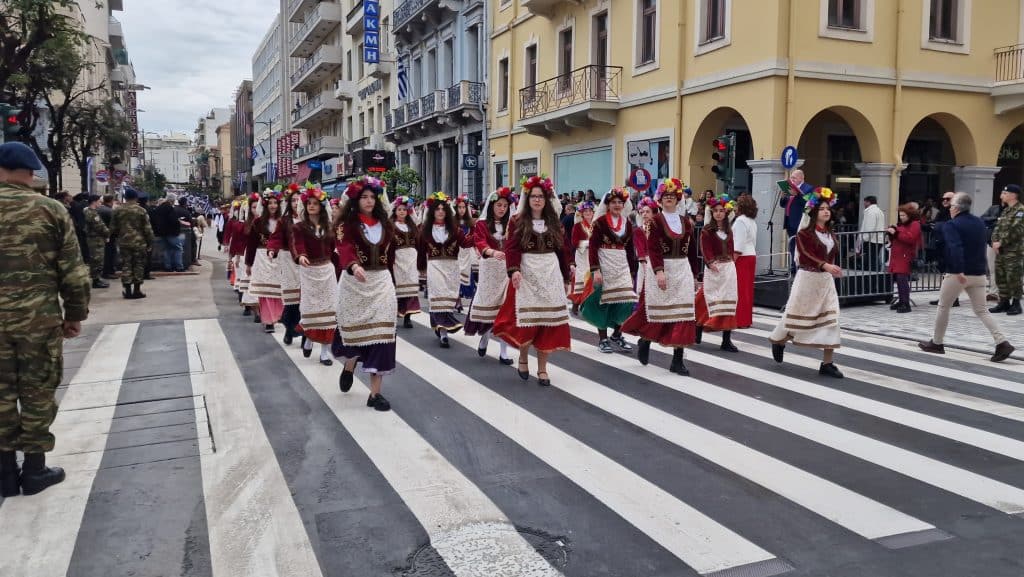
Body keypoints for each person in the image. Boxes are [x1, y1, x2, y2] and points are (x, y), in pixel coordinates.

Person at [0, 142, 90, 497]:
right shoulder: (50, 210)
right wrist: (74, 315)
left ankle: (4, 473)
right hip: (38, 320)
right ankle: (35, 470)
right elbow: (74, 272)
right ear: (31, 170)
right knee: (37, 391)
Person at [493, 175, 572, 386]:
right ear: (527, 199)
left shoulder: (554, 221)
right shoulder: (517, 220)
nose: (537, 200)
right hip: (527, 273)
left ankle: (543, 369)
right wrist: (514, 270)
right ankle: (522, 357)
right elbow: (512, 247)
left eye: (541, 196)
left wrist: (566, 276)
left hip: (550, 272)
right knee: (528, 320)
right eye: (533, 196)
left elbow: (562, 249)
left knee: (548, 322)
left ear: (546, 199)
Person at [918, 192, 1015, 362]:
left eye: (951, 204)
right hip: (978, 273)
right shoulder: (978, 222)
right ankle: (1002, 342)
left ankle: (937, 343)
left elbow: (955, 248)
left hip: (958, 273)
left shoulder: (952, 225)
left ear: (955, 208)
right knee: (982, 310)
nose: (949, 207)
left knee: (943, 307)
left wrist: (958, 270)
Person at [622, 178, 700, 375]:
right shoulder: (656, 221)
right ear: (661, 199)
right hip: (662, 268)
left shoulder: (686, 222)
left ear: (678, 199)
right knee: (657, 311)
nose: (669, 199)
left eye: (672, 196)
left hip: (682, 269)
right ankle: (645, 340)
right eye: (666, 196)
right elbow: (653, 248)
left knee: (683, 314)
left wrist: (697, 274)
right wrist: (659, 271)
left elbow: (692, 250)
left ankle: (677, 359)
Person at [333, 176, 396, 412]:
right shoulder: (345, 225)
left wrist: (395, 282)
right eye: (364, 197)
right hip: (354, 283)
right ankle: (350, 364)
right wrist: (353, 265)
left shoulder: (386, 224)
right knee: (358, 334)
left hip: (381, 281)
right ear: (356, 200)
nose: (369, 201)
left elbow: (391, 257)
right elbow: (344, 248)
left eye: (373, 197)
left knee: (382, 334)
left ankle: (375, 394)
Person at [769, 187, 845, 378]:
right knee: (795, 316)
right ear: (813, 212)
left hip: (825, 282)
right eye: (822, 209)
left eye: (828, 208)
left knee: (831, 318)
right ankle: (778, 340)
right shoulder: (804, 234)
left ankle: (827, 363)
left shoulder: (830, 233)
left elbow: (830, 255)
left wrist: (832, 268)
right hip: (807, 279)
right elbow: (805, 254)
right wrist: (825, 265)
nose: (826, 211)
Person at [581, 187, 637, 354]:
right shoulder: (599, 223)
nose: (617, 205)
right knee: (603, 301)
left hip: (621, 265)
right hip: (604, 262)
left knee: (625, 299)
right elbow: (592, 248)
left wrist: (632, 270)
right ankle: (603, 338)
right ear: (607, 204)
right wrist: (596, 270)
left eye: (620, 202)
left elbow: (630, 248)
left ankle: (617, 333)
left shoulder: (627, 223)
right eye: (614, 202)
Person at [464, 187, 516, 365]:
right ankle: (485, 337)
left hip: (507, 269)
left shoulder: (512, 224)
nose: (502, 209)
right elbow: (479, 241)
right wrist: (491, 252)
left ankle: (503, 352)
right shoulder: (482, 224)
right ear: (492, 205)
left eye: (505, 206)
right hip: (489, 268)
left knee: (505, 309)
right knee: (488, 307)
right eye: (499, 205)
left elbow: (516, 243)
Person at [292, 186, 337, 366]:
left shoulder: (330, 226)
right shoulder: (299, 227)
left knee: (330, 312)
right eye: (308, 203)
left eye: (315, 204)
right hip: (309, 271)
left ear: (321, 206)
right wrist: (301, 255)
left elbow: (336, 247)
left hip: (327, 271)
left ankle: (325, 352)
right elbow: (299, 244)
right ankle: (309, 338)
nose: (311, 206)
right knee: (310, 310)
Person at [417, 192, 466, 348]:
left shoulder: (455, 229)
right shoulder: (425, 229)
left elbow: (465, 243)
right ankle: (444, 333)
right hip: (435, 266)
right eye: (437, 208)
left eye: (443, 209)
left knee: (448, 298)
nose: (440, 211)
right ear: (432, 211)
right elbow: (420, 249)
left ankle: (441, 326)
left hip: (452, 267)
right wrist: (422, 268)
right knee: (437, 297)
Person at [695, 196, 740, 352]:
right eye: (716, 211)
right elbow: (704, 248)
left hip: (728, 269)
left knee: (729, 300)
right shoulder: (707, 230)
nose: (719, 214)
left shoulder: (729, 231)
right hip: (714, 269)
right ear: (712, 213)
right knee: (706, 300)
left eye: (722, 211)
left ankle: (726, 340)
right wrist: (710, 262)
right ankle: (698, 326)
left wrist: (732, 262)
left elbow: (732, 247)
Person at [245, 189, 285, 333]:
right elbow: (251, 245)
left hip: (279, 257)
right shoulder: (258, 222)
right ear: (266, 205)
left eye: (276, 203)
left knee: (278, 289)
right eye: (270, 203)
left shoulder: (284, 221)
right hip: (262, 257)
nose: (273, 206)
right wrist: (248, 264)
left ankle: (276, 315)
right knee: (265, 291)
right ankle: (268, 320)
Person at [268, 187, 304, 343]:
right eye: (294, 200)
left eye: (299, 200)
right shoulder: (285, 220)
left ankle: (305, 335)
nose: (297, 203)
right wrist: (272, 250)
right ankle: (289, 329)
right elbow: (276, 238)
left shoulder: (310, 219)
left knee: (306, 300)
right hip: (289, 261)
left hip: (308, 262)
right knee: (291, 301)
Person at [109, 187, 154, 299]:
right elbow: (147, 229)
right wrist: (150, 242)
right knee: (139, 265)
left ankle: (127, 290)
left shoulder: (117, 210)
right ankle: (137, 290)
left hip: (124, 242)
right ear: (136, 197)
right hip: (139, 242)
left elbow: (113, 228)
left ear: (125, 197)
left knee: (126, 265)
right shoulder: (141, 210)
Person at [989, 184, 1024, 316]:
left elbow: (1017, 230)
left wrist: (1001, 243)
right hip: (1001, 251)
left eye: (1004, 193)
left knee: (1013, 277)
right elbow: (997, 228)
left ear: (1013, 195)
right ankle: (1004, 302)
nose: (1001, 196)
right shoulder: (1006, 211)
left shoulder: (1020, 211)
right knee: (1001, 276)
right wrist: (994, 241)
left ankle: (1016, 304)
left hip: (1014, 251)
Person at [389, 195, 422, 329]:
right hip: (398, 258)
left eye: (404, 209)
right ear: (395, 211)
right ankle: (396, 313)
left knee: (411, 287)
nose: (402, 212)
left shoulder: (411, 225)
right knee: (398, 287)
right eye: (399, 209)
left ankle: (408, 317)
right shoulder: (391, 226)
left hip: (411, 258)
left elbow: (418, 222)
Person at [886, 204, 923, 313]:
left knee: (902, 280)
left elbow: (910, 239)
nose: (901, 217)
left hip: (905, 256)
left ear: (909, 215)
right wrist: (892, 233)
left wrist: (896, 233)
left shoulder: (915, 224)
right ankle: (902, 301)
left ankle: (905, 303)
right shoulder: (903, 225)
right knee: (899, 279)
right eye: (900, 215)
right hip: (897, 255)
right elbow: (898, 238)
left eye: (903, 215)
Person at [779, 169, 813, 273]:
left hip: (800, 222)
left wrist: (797, 194)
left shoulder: (808, 188)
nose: (792, 180)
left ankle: (800, 267)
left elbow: (807, 204)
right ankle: (793, 267)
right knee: (792, 245)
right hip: (789, 221)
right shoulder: (791, 189)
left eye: (794, 178)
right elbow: (783, 204)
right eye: (791, 178)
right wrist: (783, 196)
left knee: (801, 246)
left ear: (801, 178)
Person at [732, 194, 758, 328]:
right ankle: (746, 319)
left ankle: (740, 320)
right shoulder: (751, 221)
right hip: (751, 255)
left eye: (737, 205)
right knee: (747, 289)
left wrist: (733, 260)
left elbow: (739, 243)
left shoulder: (740, 221)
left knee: (740, 289)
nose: (735, 207)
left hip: (742, 257)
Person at [568, 201, 596, 316]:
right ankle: (575, 304)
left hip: (593, 256)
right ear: (582, 214)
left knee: (592, 280)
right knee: (581, 279)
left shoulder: (596, 225)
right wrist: (589, 243)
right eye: (586, 211)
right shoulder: (577, 226)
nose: (588, 213)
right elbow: (574, 242)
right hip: (582, 256)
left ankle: (588, 306)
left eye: (590, 211)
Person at [152, 191, 184, 272]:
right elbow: (173, 220)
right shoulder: (170, 208)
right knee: (178, 248)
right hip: (171, 232)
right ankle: (179, 266)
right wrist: (178, 223)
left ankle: (168, 266)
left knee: (167, 249)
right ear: (172, 200)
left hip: (161, 232)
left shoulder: (159, 208)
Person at [455, 194, 478, 310]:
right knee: (456, 276)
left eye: (463, 207)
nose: (462, 209)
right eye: (459, 207)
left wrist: (476, 249)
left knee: (469, 276)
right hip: (456, 252)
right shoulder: (452, 222)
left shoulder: (470, 222)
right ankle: (457, 299)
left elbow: (475, 236)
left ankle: (473, 300)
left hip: (467, 253)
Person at [84, 194, 110, 289]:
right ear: (94, 202)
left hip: (94, 238)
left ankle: (97, 279)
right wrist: (108, 233)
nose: (100, 203)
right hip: (96, 239)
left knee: (96, 260)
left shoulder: (87, 211)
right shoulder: (92, 213)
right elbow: (100, 226)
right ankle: (96, 280)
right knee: (97, 260)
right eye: (99, 201)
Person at [859, 195, 886, 271]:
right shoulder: (879, 211)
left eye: (864, 202)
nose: (864, 204)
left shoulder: (871, 212)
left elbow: (870, 227)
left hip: (871, 240)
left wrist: (864, 238)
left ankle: (871, 277)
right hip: (877, 239)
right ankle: (874, 276)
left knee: (870, 260)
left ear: (868, 202)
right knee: (873, 258)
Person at [98, 195, 117, 279]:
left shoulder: (99, 209)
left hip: (100, 235)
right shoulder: (110, 211)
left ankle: (104, 271)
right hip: (110, 235)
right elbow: (114, 225)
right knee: (110, 254)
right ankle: (108, 272)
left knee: (104, 254)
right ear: (111, 200)